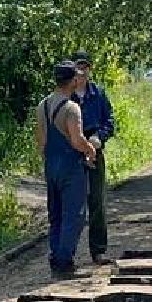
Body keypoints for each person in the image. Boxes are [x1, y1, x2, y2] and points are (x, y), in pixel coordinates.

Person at [35, 61, 97, 277]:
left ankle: (55, 258)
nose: (79, 80)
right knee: (75, 214)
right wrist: (90, 149)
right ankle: (64, 261)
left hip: (51, 164)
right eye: (77, 77)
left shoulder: (42, 105)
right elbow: (76, 140)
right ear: (72, 81)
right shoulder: (72, 108)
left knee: (56, 213)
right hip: (70, 166)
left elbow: (41, 142)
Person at [72, 53, 115, 264]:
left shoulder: (98, 93)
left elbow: (110, 120)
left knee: (97, 200)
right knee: (73, 202)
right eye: (79, 67)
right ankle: (67, 253)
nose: (82, 71)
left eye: (85, 67)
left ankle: (98, 250)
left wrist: (100, 136)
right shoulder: (66, 95)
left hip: (95, 150)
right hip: (73, 153)